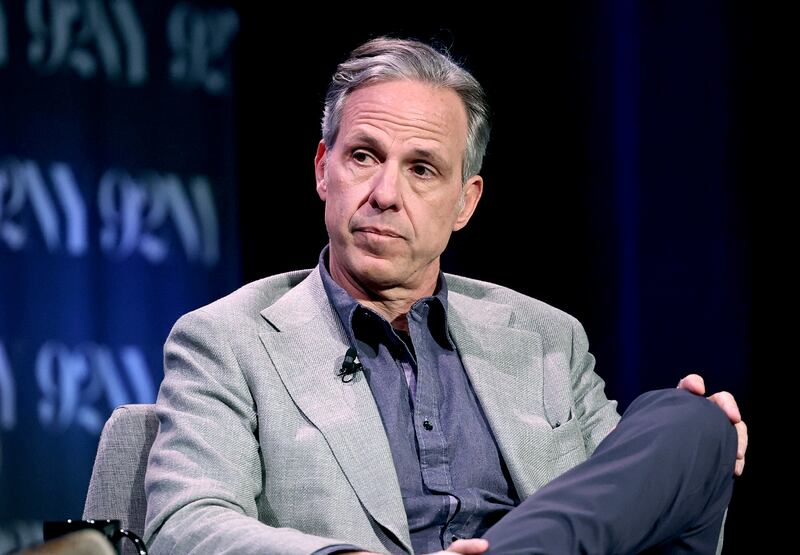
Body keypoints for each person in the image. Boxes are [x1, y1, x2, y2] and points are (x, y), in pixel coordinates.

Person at [143, 37, 747, 555]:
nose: (385, 193)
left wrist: (695, 451)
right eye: (363, 156)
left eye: (422, 169)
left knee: (691, 420)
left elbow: (620, 508)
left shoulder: (547, 338)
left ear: (465, 202)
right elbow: (185, 524)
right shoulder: (228, 340)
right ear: (323, 168)